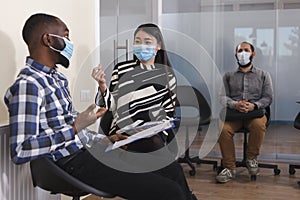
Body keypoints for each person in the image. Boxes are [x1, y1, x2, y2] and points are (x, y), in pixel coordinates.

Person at [4, 13, 195, 200]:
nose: (70, 42)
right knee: (169, 192)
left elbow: (70, 125)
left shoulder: (56, 79)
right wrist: (76, 127)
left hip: (88, 152)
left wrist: (105, 139)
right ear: (48, 40)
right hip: (71, 162)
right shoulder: (29, 85)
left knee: (172, 170)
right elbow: (21, 150)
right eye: (66, 35)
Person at [92, 23, 197, 199]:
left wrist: (150, 129)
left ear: (158, 47)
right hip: (122, 133)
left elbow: (168, 114)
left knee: (165, 164)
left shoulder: (167, 75)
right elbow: (110, 105)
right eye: (137, 41)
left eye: (147, 42)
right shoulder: (121, 69)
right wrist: (102, 86)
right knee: (172, 171)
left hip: (151, 133)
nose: (142, 46)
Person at [216, 41, 273, 183]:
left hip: (255, 114)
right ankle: (229, 167)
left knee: (259, 125)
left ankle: (251, 158)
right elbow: (222, 97)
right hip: (234, 114)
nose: (243, 53)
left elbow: (268, 97)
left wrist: (254, 105)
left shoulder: (263, 75)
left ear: (253, 54)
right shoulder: (228, 75)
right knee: (222, 128)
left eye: (246, 50)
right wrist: (235, 104)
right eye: (240, 50)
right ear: (235, 54)